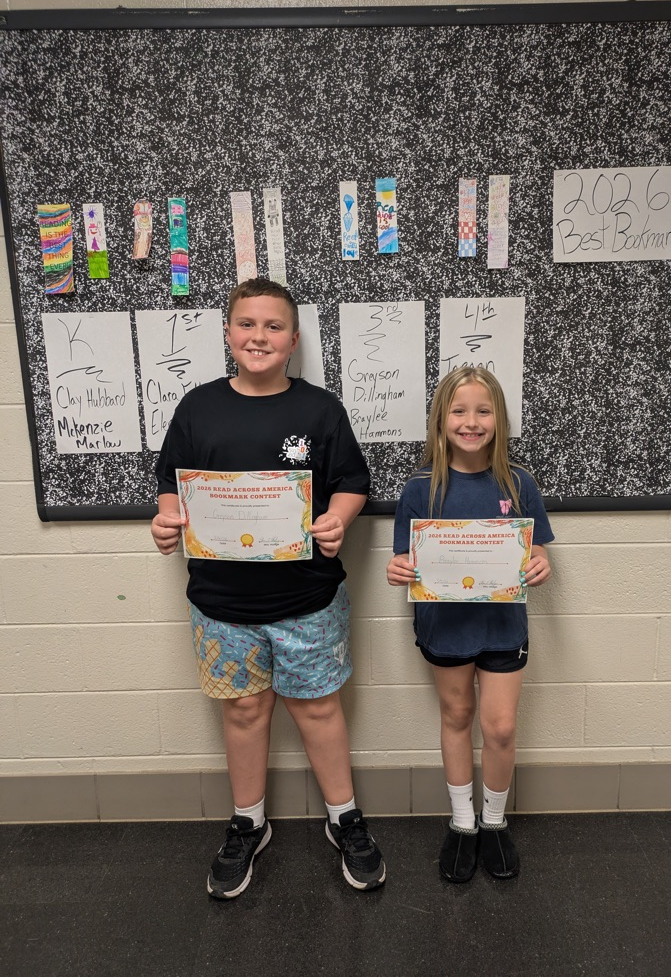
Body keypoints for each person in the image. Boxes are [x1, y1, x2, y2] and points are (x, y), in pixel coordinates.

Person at [152, 277, 385, 898]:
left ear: (293, 339)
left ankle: (344, 818)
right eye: (247, 324)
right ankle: (248, 821)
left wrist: (339, 517)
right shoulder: (198, 408)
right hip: (223, 604)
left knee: (316, 708)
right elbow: (171, 482)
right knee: (245, 710)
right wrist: (167, 517)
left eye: (273, 327)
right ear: (228, 333)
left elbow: (351, 481)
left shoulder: (319, 410)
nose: (259, 337)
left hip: (306, 597)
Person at [386, 366, 553, 883]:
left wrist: (542, 564)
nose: (471, 421)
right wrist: (398, 570)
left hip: (503, 626)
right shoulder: (420, 489)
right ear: (441, 419)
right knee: (457, 716)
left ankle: (495, 820)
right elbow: (402, 559)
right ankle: (462, 823)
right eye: (459, 411)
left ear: (499, 419)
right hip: (446, 626)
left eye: (483, 411)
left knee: (499, 726)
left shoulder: (518, 482)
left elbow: (538, 548)